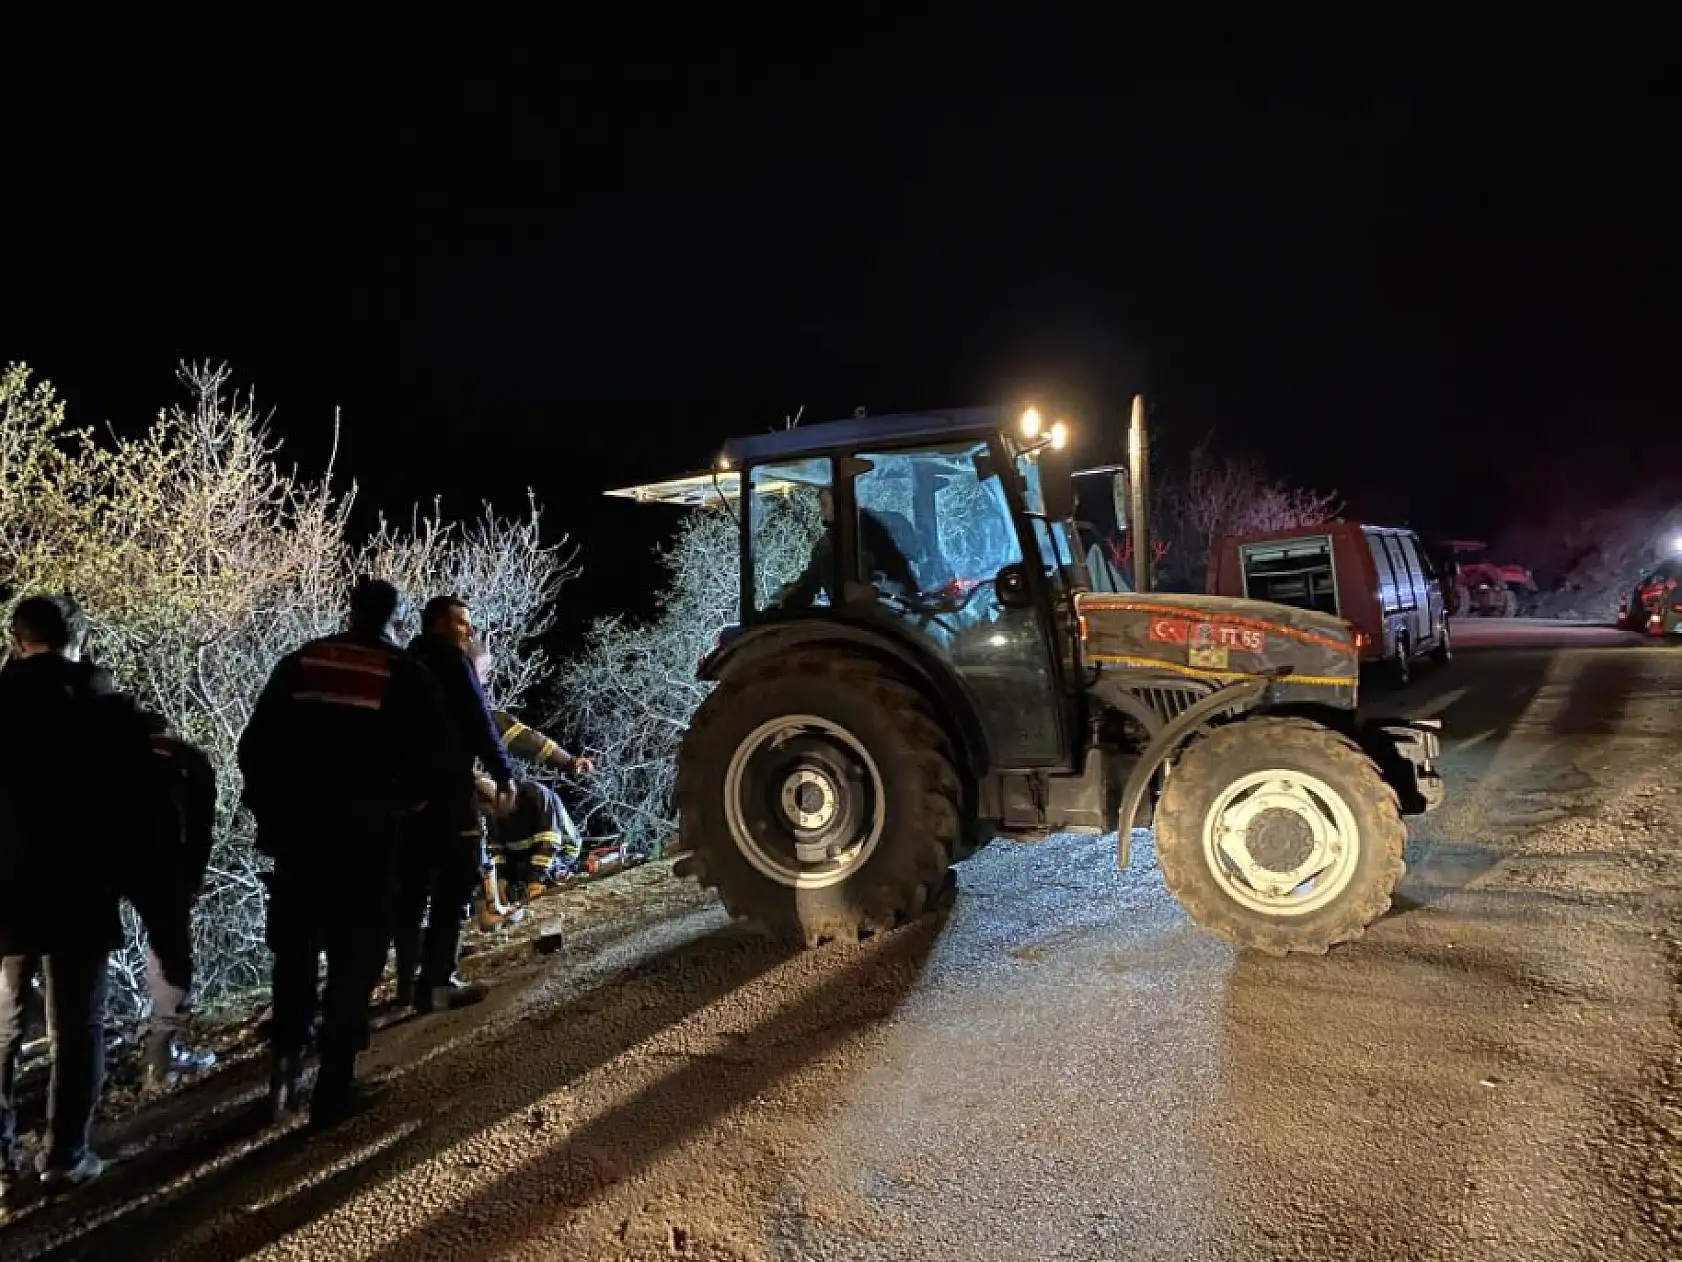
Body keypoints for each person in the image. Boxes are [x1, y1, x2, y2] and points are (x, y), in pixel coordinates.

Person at [239, 578, 452, 1126]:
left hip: (298, 840)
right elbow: (431, 758)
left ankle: (283, 1078)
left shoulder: (303, 662)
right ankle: (333, 1088)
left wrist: (272, 814)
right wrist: (403, 805)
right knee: (355, 956)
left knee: (295, 952)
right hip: (365, 841)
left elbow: (254, 747)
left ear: (351, 612)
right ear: (395, 620)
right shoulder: (406, 674)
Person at [1, 596, 166, 1207]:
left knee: (2, 1024)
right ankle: (65, 1156)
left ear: (18, 643)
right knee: (76, 1025)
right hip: (81, 886)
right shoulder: (106, 709)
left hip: (5, 891)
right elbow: (142, 804)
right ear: (80, 641)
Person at [51, 593, 216, 1092]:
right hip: (155, 857)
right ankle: (160, 1061)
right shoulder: (179, 755)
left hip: (85, 856)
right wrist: (192, 873)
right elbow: (200, 817)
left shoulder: (68, 729)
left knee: (67, 966)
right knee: (168, 950)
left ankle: (81, 1063)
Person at [394, 596, 516, 1013]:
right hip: (448, 792)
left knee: (411, 890)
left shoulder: (403, 663)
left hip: (408, 800)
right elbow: (477, 719)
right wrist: (503, 774)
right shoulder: (450, 660)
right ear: (440, 624)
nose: (469, 631)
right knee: (455, 882)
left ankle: (408, 985)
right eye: (463, 623)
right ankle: (438, 981)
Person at [466, 645, 593, 910]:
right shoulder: (474, 716)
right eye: (484, 673)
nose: (487, 680)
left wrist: (567, 761)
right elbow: (524, 739)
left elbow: (525, 739)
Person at [776, 485, 921, 609]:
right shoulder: (826, 545)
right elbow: (810, 581)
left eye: (824, 505)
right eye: (822, 505)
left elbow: (903, 577)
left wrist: (874, 590)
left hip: (887, 619)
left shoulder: (880, 530)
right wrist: (789, 598)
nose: (822, 512)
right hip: (849, 622)